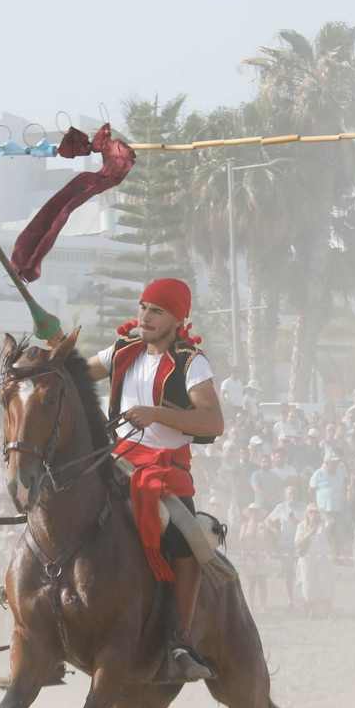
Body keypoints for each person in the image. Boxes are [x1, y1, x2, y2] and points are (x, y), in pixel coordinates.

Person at [65, 277, 224, 682]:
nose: (145, 317)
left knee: (186, 538)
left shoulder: (192, 362)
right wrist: (57, 352)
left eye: (157, 311)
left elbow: (213, 420)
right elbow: (74, 376)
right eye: (143, 307)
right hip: (114, 463)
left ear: (177, 319)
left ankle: (178, 641)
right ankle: (45, 635)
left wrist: (155, 413)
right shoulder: (122, 350)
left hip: (166, 472)